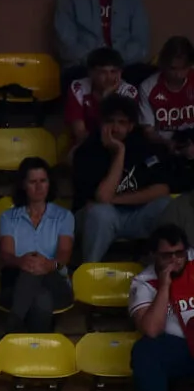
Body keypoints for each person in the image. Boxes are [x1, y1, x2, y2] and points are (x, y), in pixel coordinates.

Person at [76, 91, 173, 266]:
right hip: (97, 219)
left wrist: (116, 200)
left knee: (167, 204)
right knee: (100, 213)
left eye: (121, 122)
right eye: (110, 121)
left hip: (135, 214)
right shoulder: (87, 151)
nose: (115, 128)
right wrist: (119, 152)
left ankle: (161, 266)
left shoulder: (144, 146)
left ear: (131, 126)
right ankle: (88, 270)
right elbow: (102, 198)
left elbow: (162, 189)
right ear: (101, 123)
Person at [0, 157, 75, 332]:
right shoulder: (8, 217)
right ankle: (39, 346)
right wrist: (22, 262)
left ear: (49, 183)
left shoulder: (64, 216)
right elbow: (6, 255)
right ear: (23, 185)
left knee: (34, 269)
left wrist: (48, 265)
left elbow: (64, 253)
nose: (39, 187)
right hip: (16, 283)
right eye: (33, 182)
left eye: (43, 181)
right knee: (41, 297)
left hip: (56, 281)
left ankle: (13, 326)